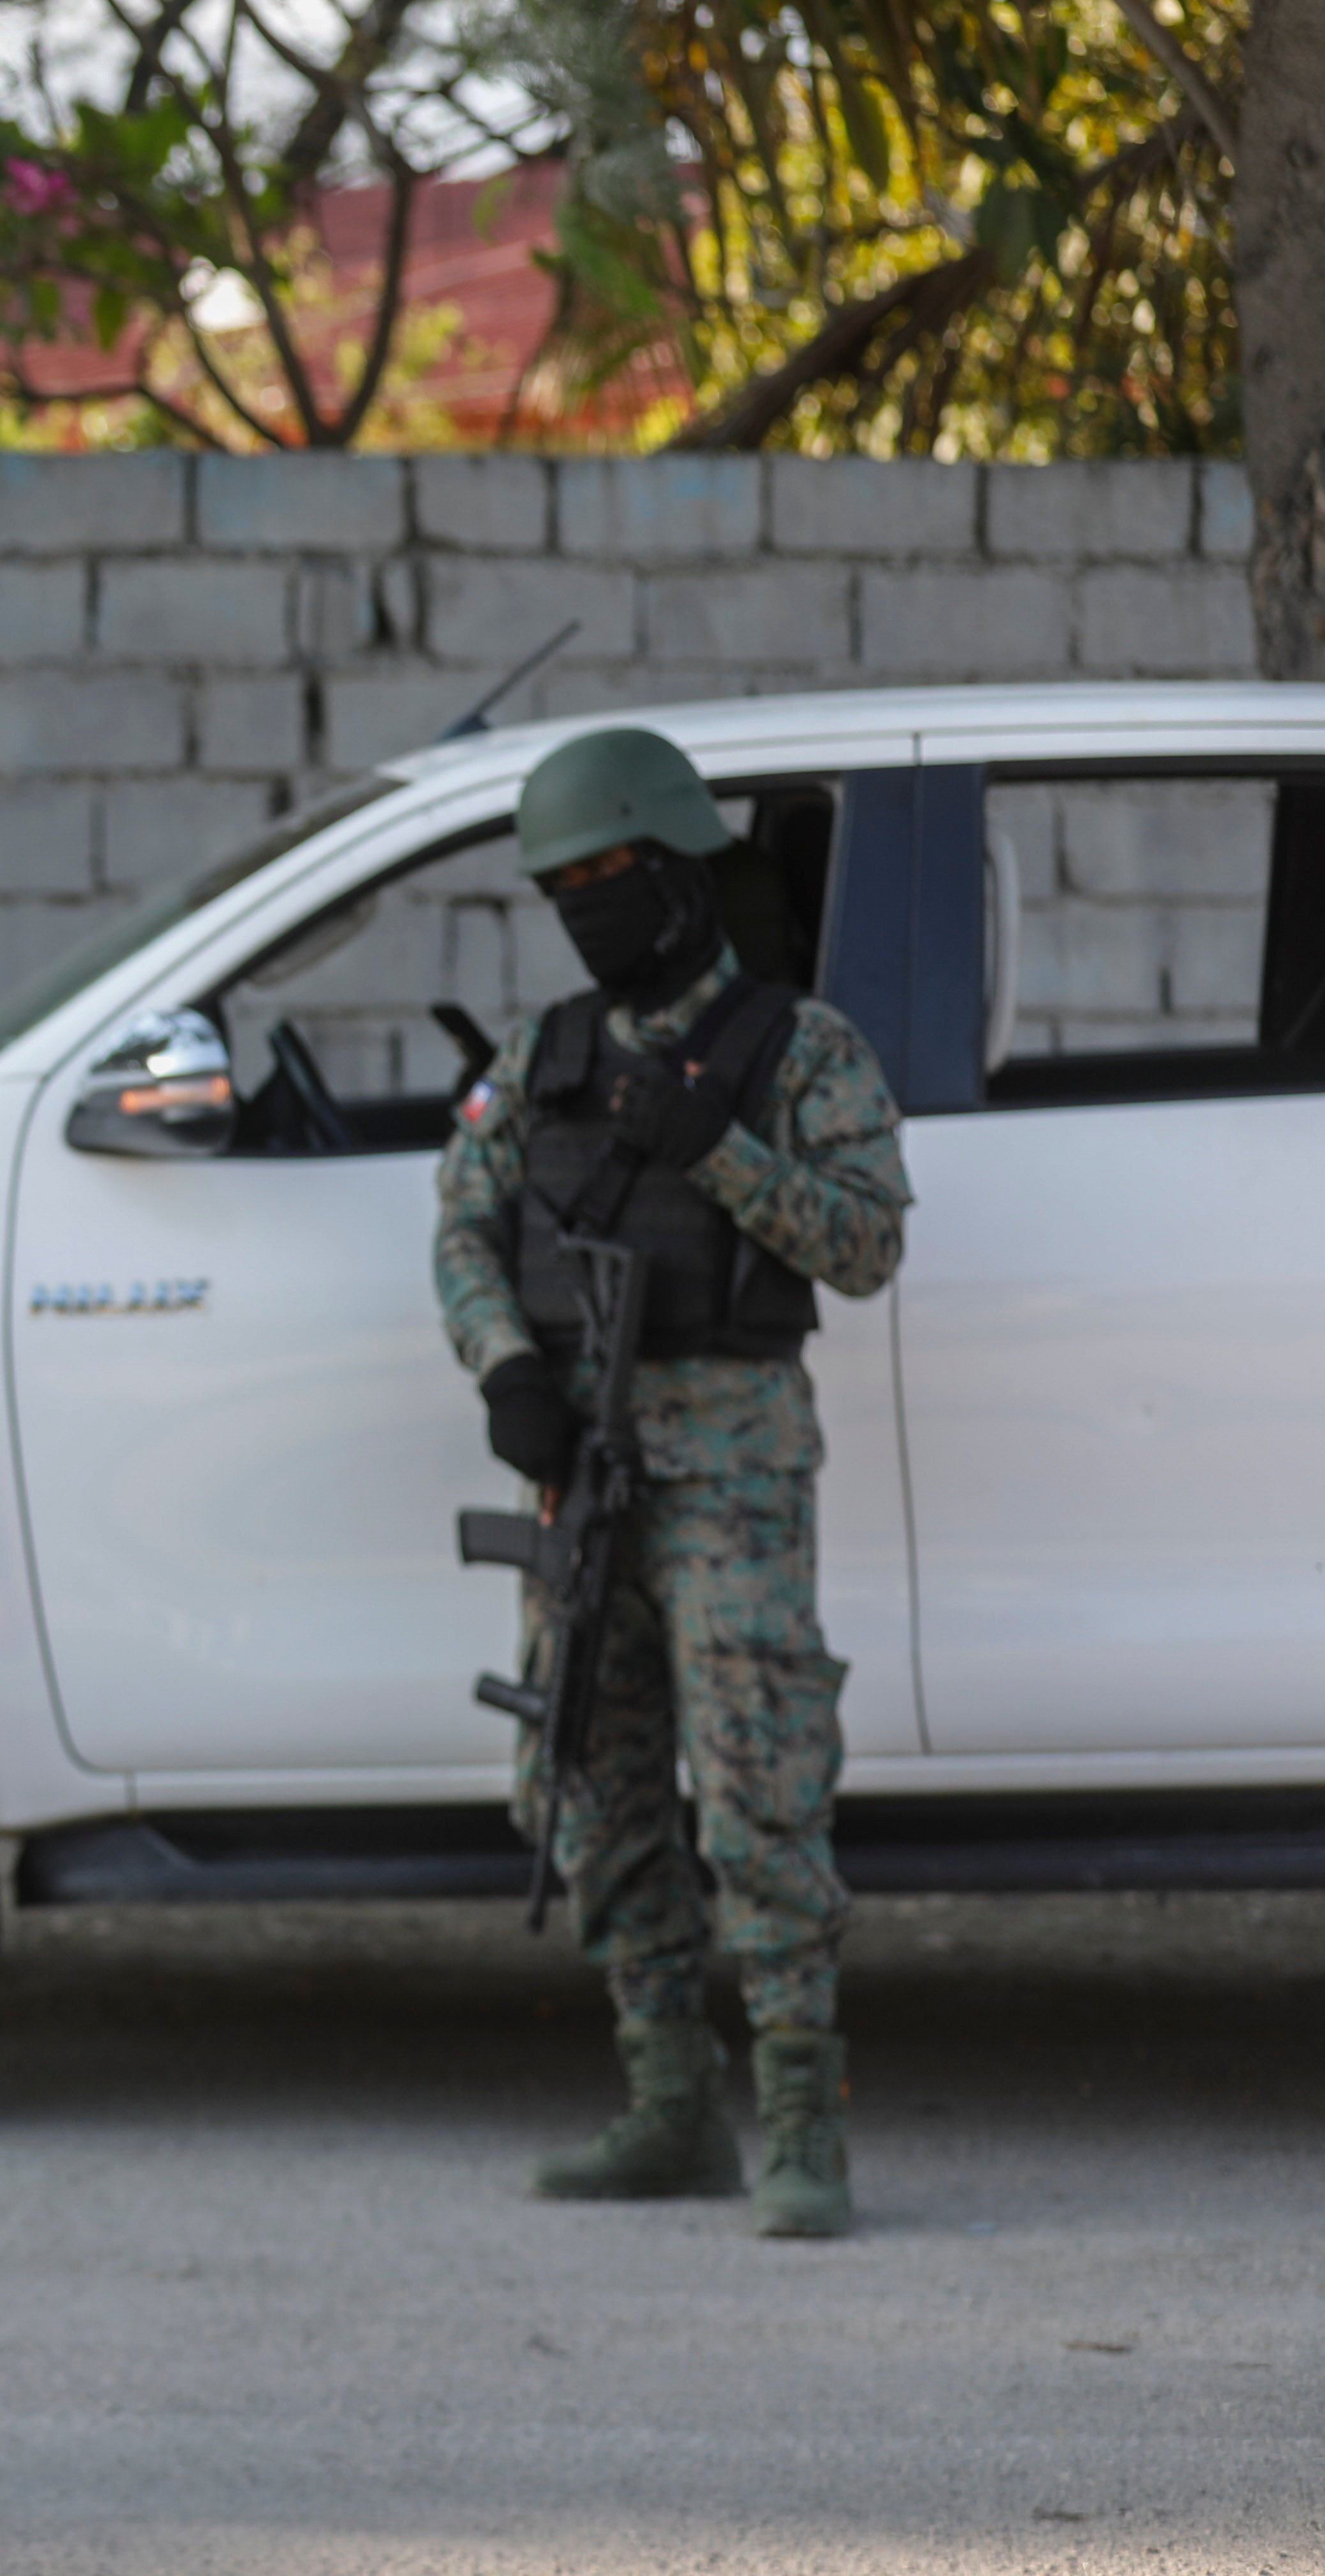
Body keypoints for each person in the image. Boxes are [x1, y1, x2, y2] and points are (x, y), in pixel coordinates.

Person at [433, 726, 910, 2238]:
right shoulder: (547, 1055)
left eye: (609, 878)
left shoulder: (802, 1049)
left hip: (733, 1466)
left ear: (679, 868)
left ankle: (803, 2120)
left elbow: (867, 1243)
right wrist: (509, 1367)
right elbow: (464, 1227)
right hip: (581, 1469)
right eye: (561, 888)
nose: (588, 909)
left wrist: (722, 1151)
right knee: (595, 1784)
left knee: (763, 1787)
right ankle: (667, 2105)